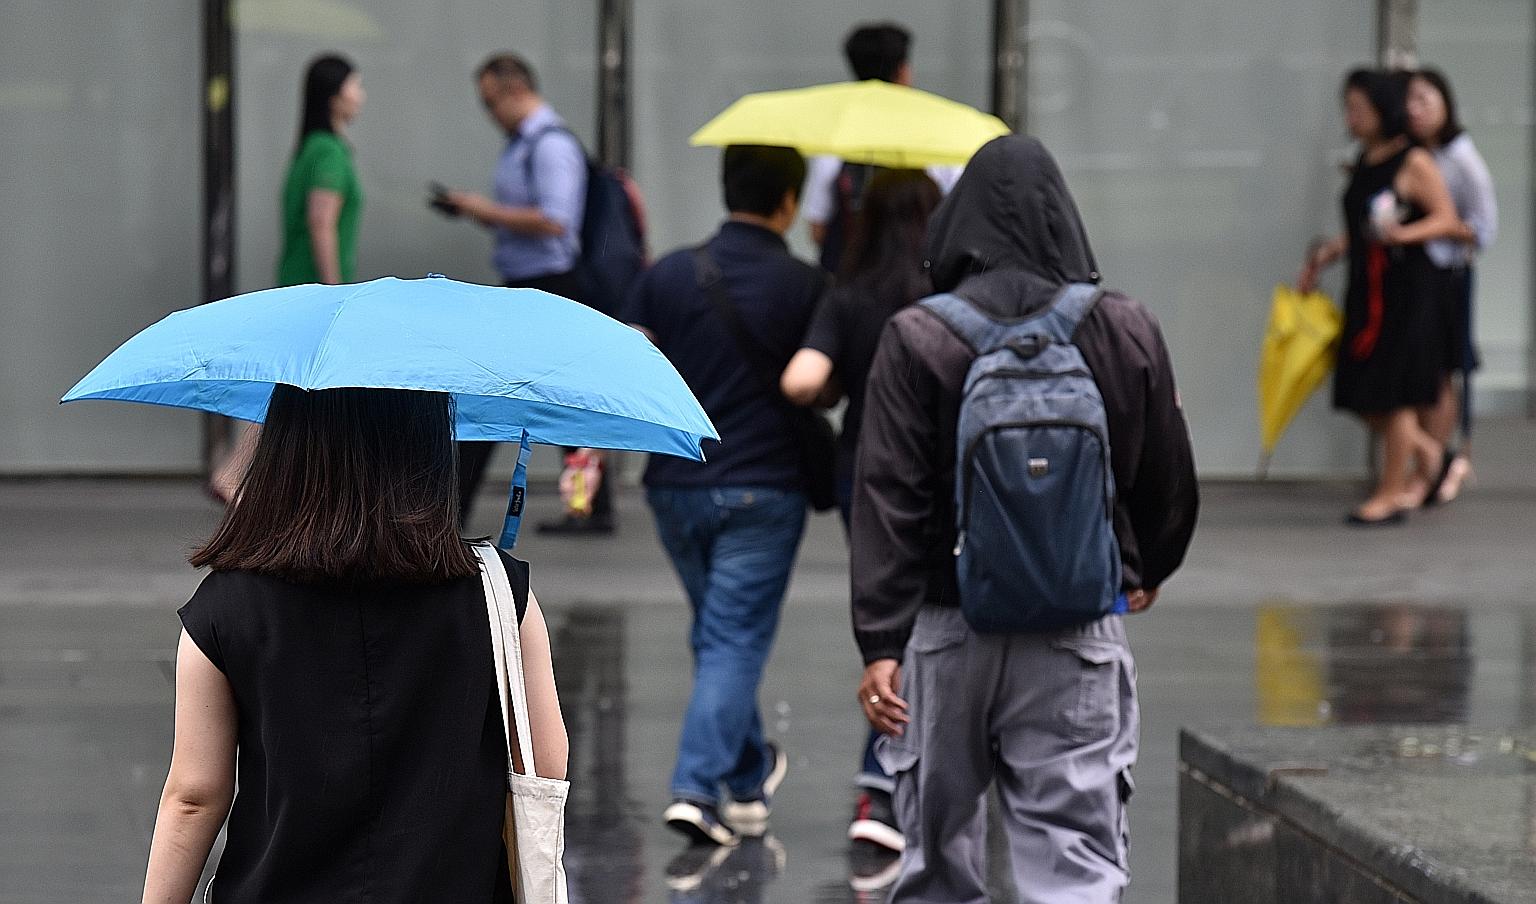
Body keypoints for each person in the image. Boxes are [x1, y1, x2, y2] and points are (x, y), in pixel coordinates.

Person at [851, 135, 1198, 902]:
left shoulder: (918, 336)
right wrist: (1144, 568)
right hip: (1076, 628)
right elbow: (1167, 471)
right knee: (1073, 858)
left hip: (944, 631)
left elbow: (886, 496)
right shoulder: (1123, 325)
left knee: (937, 863)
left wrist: (880, 640)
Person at [140, 385, 567, 904]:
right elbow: (545, 762)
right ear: (428, 443)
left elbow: (193, 797)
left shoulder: (225, 606)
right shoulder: (501, 596)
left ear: (286, 444)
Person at [621, 146, 823, 854]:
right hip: (765, 488)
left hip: (676, 486)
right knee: (732, 639)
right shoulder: (804, 284)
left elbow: (634, 364)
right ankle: (697, 789)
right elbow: (821, 384)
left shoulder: (670, 274)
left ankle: (747, 777)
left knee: (717, 635)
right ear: (789, 202)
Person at [780, 168, 941, 874]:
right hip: (942, 472)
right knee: (936, 615)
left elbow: (802, 382)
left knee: (886, 613)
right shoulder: (950, 299)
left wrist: (846, 377)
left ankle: (882, 782)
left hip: (866, 473)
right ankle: (901, 776)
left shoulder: (848, 296)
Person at [442, 54, 612, 533]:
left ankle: (453, 511)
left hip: (549, 283)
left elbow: (555, 219)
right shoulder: (524, 143)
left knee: (492, 395)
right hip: (530, 285)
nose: (489, 112)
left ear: (516, 89)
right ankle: (591, 507)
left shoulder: (550, 145)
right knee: (560, 400)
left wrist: (484, 210)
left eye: (492, 101)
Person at [1298, 69, 1465, 525]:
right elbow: (1362, 228)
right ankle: (1433, 456)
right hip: (1367, 288)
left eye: (1359, 108)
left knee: (1393, 396)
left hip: (1405, 291)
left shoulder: (1412, 162)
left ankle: (1390, 494)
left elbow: (1448, 219)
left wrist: (1403, 234)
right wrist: (1331, 252)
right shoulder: (1368, 159)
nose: (1351, 117)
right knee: (1361, 392)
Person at [208, 54, 365, 504]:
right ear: (335, 97)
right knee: (296, 388)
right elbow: (322, 222)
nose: (361, 95)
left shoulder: (312, 148)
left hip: (300, 283)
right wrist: (335, 290)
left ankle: (279, 484)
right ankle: (237, 474)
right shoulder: (329, 152)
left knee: (298, 388)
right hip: (315, 290)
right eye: (356, 86)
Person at [1405, 67, 1498, 505]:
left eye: (1425, 100)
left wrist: (1433, 225)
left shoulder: (1461, 159)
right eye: (1409, 101)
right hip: (1417, 276)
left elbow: (1484, 229)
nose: (1415, 110)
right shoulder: (1411, 154)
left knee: (1442, 373)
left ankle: (1434, 462)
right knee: (1420, 374)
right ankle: (1426, 459)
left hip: (1448, 274)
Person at [801, 22, 961, 272]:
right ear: (903, 71)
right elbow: (953, 221)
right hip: (919, 283)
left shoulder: (835, 141)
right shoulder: (938, 136)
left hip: (850, 282)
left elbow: (818, 228)